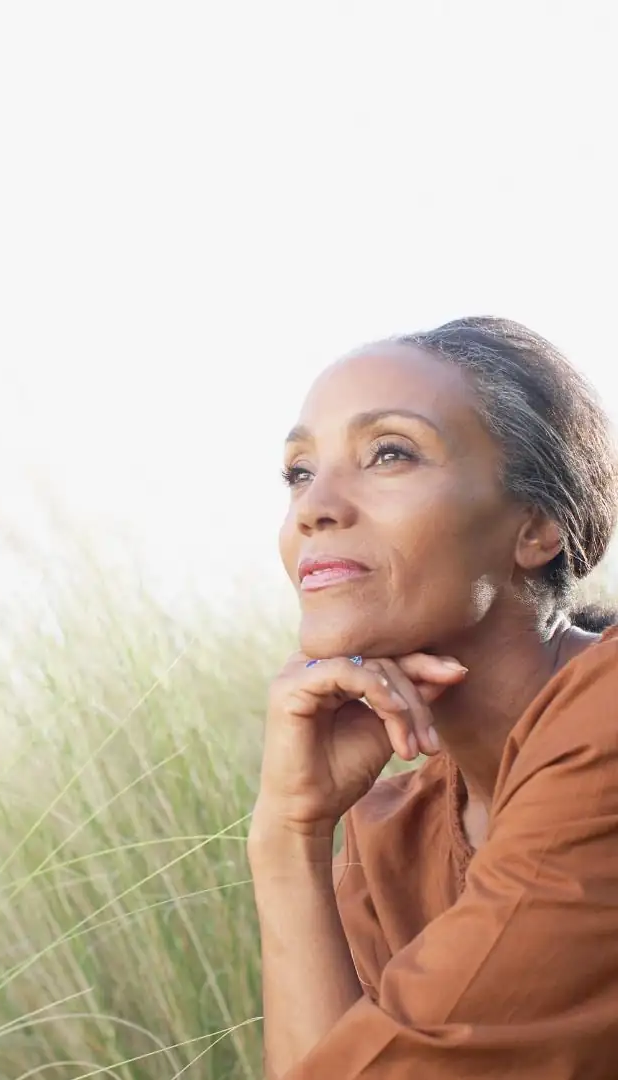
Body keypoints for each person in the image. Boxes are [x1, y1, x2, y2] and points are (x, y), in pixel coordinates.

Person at [248, 316, 618, 1079]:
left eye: (390, 453)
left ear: (538, 525)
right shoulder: (395, 833)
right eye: (298, 472)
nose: (315, 506)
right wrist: (289, 836)